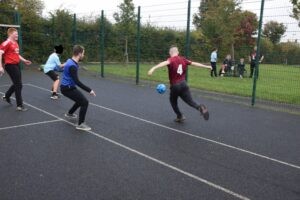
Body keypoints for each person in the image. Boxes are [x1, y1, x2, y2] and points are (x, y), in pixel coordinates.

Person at [148, 46, 211, 123]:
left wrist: (153, 68)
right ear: (177, 52)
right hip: (184, 84)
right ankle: (200, 107)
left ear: (170, 53)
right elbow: (194, 63)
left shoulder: (171, 59)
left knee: (173, 101)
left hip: (175, 86)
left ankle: (180, 116)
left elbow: (164, 63)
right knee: (190, 101)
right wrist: (206, 66)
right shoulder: (183, 59)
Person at [60, 45, 96, 131]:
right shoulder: (72, 66)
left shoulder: (70, 60)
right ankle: (81, 124)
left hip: (68, 87)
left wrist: (63, 66)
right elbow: (77, 82)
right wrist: (89, 90)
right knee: (84, 102)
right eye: (83, 53)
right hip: (67, 88)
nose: (83, 55)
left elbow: (66, 65)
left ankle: (70, 113)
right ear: (79, 54)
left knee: (80, 100)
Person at [0, 27, 32, 111]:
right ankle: (19, 105)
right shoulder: (6, 43)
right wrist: (0, 66)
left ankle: (7, 96)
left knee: (18, 84)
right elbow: (0, 54)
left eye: (17, 34)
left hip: (16, 65)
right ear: (10, 34)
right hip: (10, 65)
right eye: (16, 34)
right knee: (18, 85)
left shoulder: (15, 43)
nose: (17, 35)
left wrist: (24, 60)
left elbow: (17, 55)